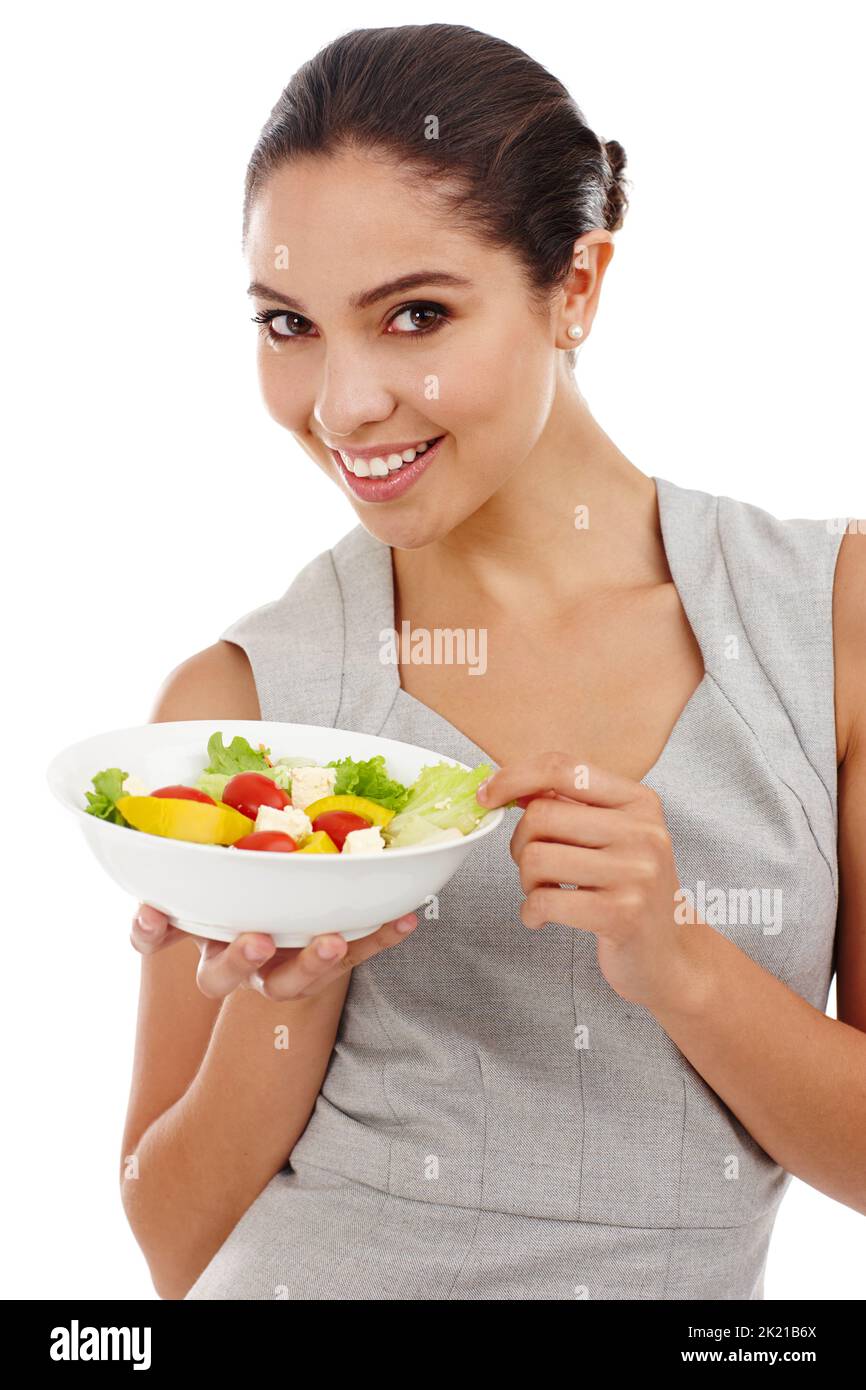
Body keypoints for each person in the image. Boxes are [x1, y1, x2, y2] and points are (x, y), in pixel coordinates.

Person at [120, 23, 866, 1300]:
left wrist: (678, 959)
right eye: (288, 323)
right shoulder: (247, 701)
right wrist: (290, 987)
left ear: (575, 285)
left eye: (414, 315)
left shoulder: (825, 623)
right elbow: (169, 1239)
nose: (343, 403)